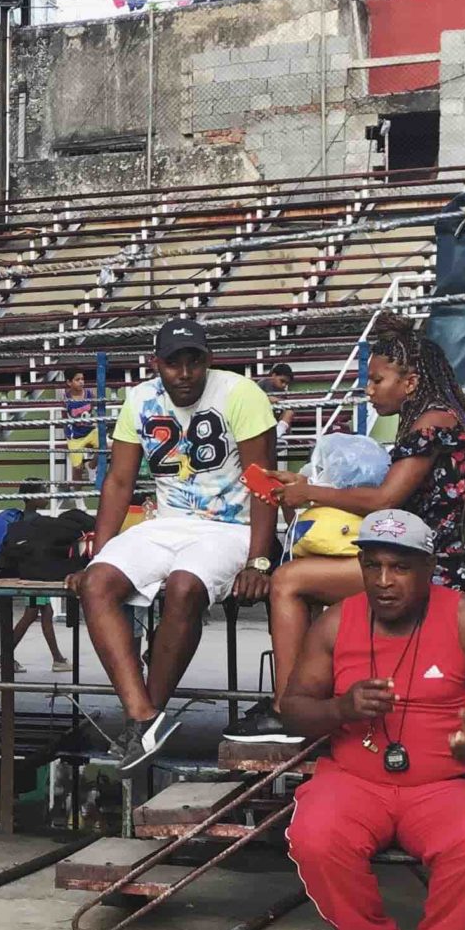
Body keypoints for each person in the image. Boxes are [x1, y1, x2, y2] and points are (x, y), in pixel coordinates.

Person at [277, 510, 465, 930]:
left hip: (444, 784)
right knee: (315, 836)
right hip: (355, 779)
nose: (384, 582)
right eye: (372, 567)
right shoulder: (336, 621)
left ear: (428, 567)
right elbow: (293, 707)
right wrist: (339, 710)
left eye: (399, 567)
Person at [230, 319, 465, 744]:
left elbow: (384, 500)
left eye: (377, 379)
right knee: (317, 567)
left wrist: (310, 492)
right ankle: (322, 695)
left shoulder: (431, 424)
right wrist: (308, 486)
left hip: (440, 567)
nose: (369, 389)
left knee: (287, 580)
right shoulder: (445, 416)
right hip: (444, 557)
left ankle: (288, 711)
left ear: (410, 382)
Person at [72, 316, 280, 768]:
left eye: (194, 361)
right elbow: (120, 480)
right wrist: (102, 549)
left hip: (232, 525)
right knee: (95, 583)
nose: (184, 373)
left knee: (185, 587)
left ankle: (145, 722)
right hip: (166, 522)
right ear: (156, 363)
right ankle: (144, 717)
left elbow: (265, 484)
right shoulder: (140, 398)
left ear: (210, 360)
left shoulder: (241, 393)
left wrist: (259, 561)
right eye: (173, 363)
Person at [62, 365, 103, 485]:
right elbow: (64, 417)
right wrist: (68, 434)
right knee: (77, 469)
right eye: (77, 380)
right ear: (69, 382)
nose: (81, 382)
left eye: (82, 379)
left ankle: (91, 466)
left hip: (90, 431)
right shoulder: (66, 399)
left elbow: (97, 407)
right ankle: (78, 498)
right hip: (75, 436)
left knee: (106, 448)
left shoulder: (89, 395)